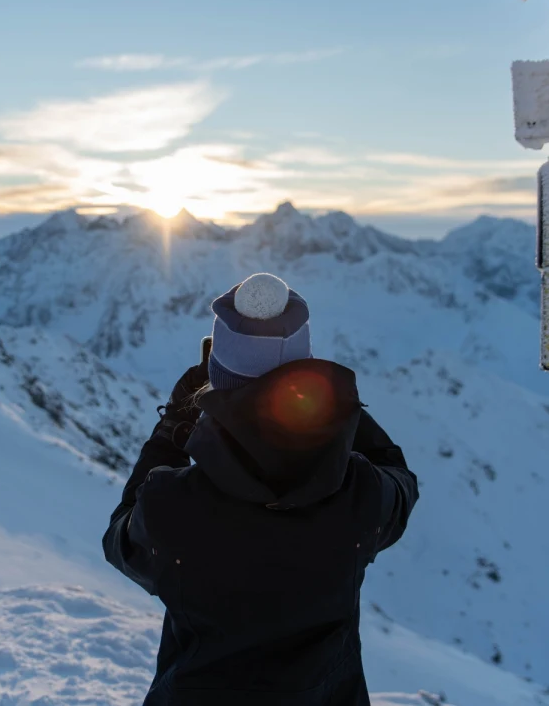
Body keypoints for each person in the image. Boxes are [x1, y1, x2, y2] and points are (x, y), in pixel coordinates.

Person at [103, 273, 419, 705]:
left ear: (218, 380)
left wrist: (174, 423)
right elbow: (398, 475)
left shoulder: (171, 506)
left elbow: (120, 536)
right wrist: (333, 410)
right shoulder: (358, 497)